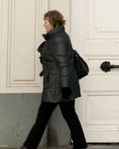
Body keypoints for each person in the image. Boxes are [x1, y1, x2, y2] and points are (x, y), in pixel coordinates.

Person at [21, 10, 87, 149]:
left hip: (57, 87)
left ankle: (29, 146)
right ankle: (80, 145)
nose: (44, 24)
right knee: (69, 115)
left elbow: (63, 63)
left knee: (42, 118)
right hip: (59, 85)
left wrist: (64, 86)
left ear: (53, 22)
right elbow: (57, 61)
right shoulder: (58, 37)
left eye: (46, 22)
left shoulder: (58, 39)